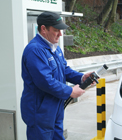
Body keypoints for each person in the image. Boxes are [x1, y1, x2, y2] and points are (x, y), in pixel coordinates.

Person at [20, 11, 93, 140]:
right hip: (40, 109)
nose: (60, 34)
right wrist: (70, 91)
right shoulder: (35, 50)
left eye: (61, 30)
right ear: (43, 29)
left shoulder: (55, 48)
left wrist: (81, 78)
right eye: (56, 30)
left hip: (55, 106)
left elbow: (64, 70)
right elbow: (45, 81)